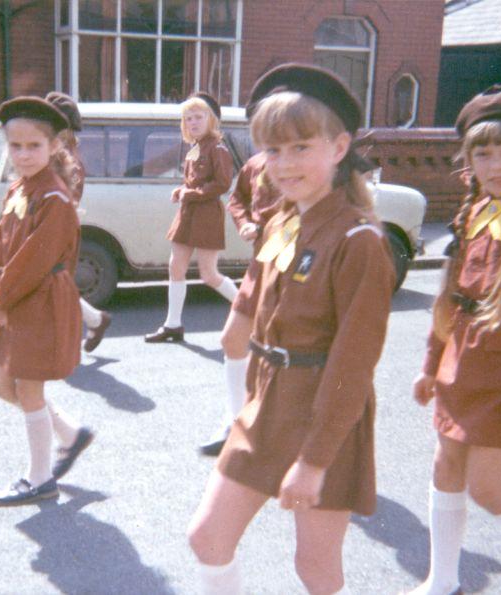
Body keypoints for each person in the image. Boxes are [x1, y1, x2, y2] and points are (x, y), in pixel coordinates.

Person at [187, 64, 396, 594]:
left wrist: (314, 459)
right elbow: (258, 283)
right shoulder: (284, 219)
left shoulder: (359, 242)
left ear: (340, 146)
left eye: (302, 146)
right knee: (207, 537)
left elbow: (353, 362)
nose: (284, 163)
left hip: (324, 414)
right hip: (267, 406)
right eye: (272, 151)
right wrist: (238, 323)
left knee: (315, 569)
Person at [406, 83, 501, 595]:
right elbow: (450, 297)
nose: (496, 165)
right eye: (483, 152)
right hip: (462, 362)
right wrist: (431, 363)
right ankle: (443, 580)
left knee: (487, 487)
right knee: (445, 463)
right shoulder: (475, 211)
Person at [0, 96, 94, 506]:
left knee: (28, 389)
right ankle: (69, 433)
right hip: (16, 299)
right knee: (0, 383)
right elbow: (1, 248)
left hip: (40, 301)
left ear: (53, 147)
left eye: (34, 146)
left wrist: (3, 300)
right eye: (16, 146)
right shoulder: (19, 188)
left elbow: (33, 260)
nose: (25, 155)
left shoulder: (54, 198)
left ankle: (40, 478)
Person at [199, 152, 281, 455]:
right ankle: (237, 423)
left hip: (289, 260)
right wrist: (245, 222)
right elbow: (238, 198)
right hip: (263, 261)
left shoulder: (303, 158)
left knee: (284, 352)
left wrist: (266, 231)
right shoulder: (257, 162)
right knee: (233, 339)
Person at [144, 93, 238, 343]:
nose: (193, 122)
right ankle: (172, 325)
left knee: (208, 274)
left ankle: (249, 310)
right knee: (176, 267)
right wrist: (181, 189)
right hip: (188, 213)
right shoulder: (195, 148)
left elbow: (222, 184)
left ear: (211, 120)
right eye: (188, 118)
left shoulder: (217, 148)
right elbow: (195, 181)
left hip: (206, 215)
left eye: (199, 117)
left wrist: (191, 192)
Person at [45, 91, 112, 353]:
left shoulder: (66, 160)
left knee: (55, 282)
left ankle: (68, 337)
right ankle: (95, 321)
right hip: (55, 226)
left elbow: (65, 200)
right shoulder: (59, 152)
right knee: (55, 282)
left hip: (59, 228)